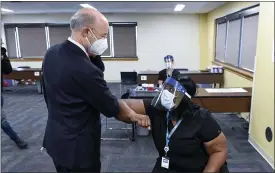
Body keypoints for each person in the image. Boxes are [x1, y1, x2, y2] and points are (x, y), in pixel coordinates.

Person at [41, 8, 150, 172]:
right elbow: (110, 107)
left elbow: (47, 93)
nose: (105, 41)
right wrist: (135, 116)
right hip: (78, 149)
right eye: (104, 36)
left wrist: (92, 53)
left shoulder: (52, 52)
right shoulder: (85, 70)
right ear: (86, 32)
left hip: (56, 138)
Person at [121, 76, 228, 173]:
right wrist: (134, 115)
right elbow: (120, 104)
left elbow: (219, 151)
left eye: (172, 91)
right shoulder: (158, 109)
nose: (166, 94)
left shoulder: (201, 118)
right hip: (167, 164)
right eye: (167, 89)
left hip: (196, 167)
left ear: (184, 100)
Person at [1, 43, 28, 149]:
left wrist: (2, 57)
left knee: (2, 120)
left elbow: (8, 70)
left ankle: (16, 139)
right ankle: (16, 139)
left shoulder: (2, 53)